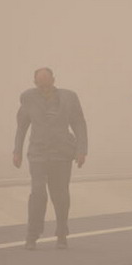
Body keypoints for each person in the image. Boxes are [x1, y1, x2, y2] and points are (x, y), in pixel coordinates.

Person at [13, 67, 87, 250]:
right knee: (37, 193)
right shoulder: (28, 98)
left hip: (62, 155)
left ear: (54, 80)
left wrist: (81, 150)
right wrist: (17, 151)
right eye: (40, 84)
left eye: (47, 83)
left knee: (60, 195)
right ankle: (32, 235)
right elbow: (22, 126)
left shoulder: (69, 97)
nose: (44, 87)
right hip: (38, 154)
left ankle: (61, 232)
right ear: (35, 83)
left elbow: (78, 123)